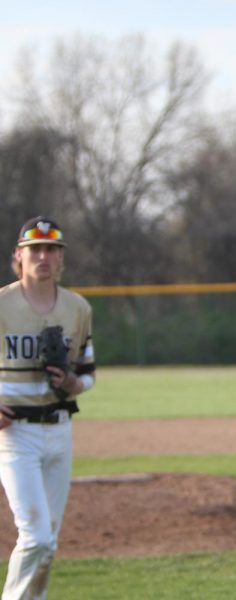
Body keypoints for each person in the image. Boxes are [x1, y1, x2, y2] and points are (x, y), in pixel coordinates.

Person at [0, 217, 96, 600]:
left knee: (48, 545)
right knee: (36, 537)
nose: (43, 255)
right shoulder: (2, 304)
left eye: (52, 249)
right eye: (34, 248)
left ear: (61, 259)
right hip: (14, 433)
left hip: (59, 429)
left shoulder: (78, 308)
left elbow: (88, 373)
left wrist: (73, 384)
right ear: (19, 257)